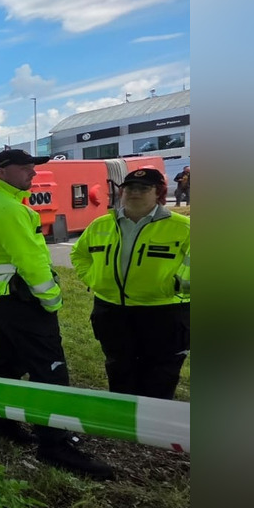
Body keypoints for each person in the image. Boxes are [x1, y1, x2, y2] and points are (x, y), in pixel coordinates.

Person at [0, 149, 113, 479]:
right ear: (2, 172)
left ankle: (3, 425)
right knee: (51, 371)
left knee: (4, 363)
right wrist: (52, 300)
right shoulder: (8, 210)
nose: (32, 174)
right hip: (21, 300)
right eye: (26, 168)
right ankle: (54, 444)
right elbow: (31, 261)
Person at [70, 168, 190, 400]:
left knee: (161, 370)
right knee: (119, 365)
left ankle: (153, 424)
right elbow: (79, 254)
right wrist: (93, 279)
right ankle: (123, 419)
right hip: (112, 310)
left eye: (144, 188)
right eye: (129, 188)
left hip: (163, 311)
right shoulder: (101, 224)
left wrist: (175, 285)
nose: (135, 192)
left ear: (158, 193)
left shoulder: (182, 228)